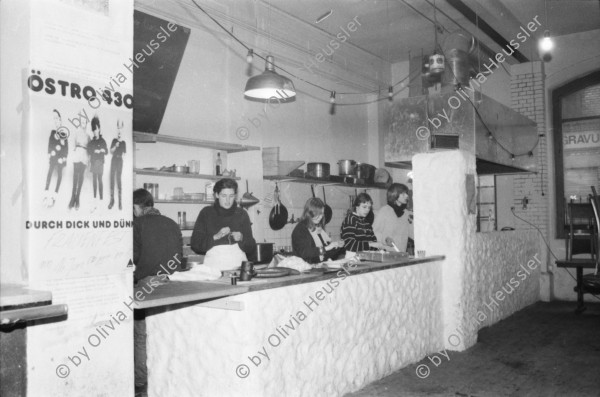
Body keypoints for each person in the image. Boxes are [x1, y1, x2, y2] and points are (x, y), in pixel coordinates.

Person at [132, 188, 183, 394]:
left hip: (147, 284)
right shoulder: (172, 223)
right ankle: (166, 377)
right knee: (165, 331)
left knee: (141, 334)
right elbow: (179, 256)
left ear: (137, 207)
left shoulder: (138, 224)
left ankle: (141, 382)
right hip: (172, 282)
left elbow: (133, 257)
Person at [190, 178, 256, 261]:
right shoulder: (206, 213)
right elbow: (195, 244)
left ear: (235, 195)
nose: (227, 200)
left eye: (231, 196)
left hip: (238, 265)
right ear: (217, 195)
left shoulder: (242, 214)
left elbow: (251, 248)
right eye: (224, 196)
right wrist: (215, 237)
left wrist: (241, 238)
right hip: (214, 266)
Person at [292, 197, 345, 263]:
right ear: (309, 213)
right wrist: (327, 248)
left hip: (318, 269)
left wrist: (336, 246)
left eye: (322, 213)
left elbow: (325, 255)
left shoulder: (318, 229)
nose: (321, 217)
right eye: (318, 214)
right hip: (305, 270)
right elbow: (305, 253)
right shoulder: (300, 229)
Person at [373, 183, 414, 252]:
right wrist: (385, 240)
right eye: (403, 194)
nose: (407, 196)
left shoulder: (407, 214)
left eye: (406, 193)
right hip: (386, 253)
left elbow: (413, 233)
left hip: (401, 253)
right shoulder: (384, 211)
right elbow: (375, 232)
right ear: (394, 195)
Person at [44, 109, 68, 207]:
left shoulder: (64, 133)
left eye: (57, 119)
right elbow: (50, 145)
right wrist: (51, 152)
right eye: (54, 119)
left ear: (60, 120)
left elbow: (66, 148)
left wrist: (63, 157)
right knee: (49, 173)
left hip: (60, 159)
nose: (56, 121)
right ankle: (45, 195)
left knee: (59, 175)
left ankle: (54, 197)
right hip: (54, 157)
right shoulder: (53, 132)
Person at [68, 118, 89, 210]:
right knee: (75, 176)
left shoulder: (88, 136)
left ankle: (77, 198)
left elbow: (90, 147)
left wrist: (88, 158)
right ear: (80, 124)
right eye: (82, 123)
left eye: (85, 123)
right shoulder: (77, 133)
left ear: (86, 124)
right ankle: (72, 197)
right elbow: (73, 144)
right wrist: (74, 153)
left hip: (84, 156)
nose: (83, 124)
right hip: (77, 154)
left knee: (81, 177)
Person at [88, 115, 107, 211]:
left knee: (99, 179)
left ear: (99, 128)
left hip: (100, 162)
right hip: (93, 162)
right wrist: (94, 151)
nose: (95, 131)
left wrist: (102, 150)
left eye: (96, 129)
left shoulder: (103, 140)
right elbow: (89, 150)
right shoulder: (91, 142)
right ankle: (95, 201)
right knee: (94, 180)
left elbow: (106, 151)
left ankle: (101, 201)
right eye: (93, 130)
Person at [108, 120, 126, 210]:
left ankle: (120, 201)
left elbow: (124, 154)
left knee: (118, 179)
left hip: (120, 160)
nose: (119, 130)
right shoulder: (114, 140)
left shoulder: (124, 142)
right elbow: (111, 151)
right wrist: (115, 145)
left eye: (120, 128)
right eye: (118, 128)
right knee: (112, 178)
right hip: (114, 159)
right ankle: (112, 200)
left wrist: (121, 153)